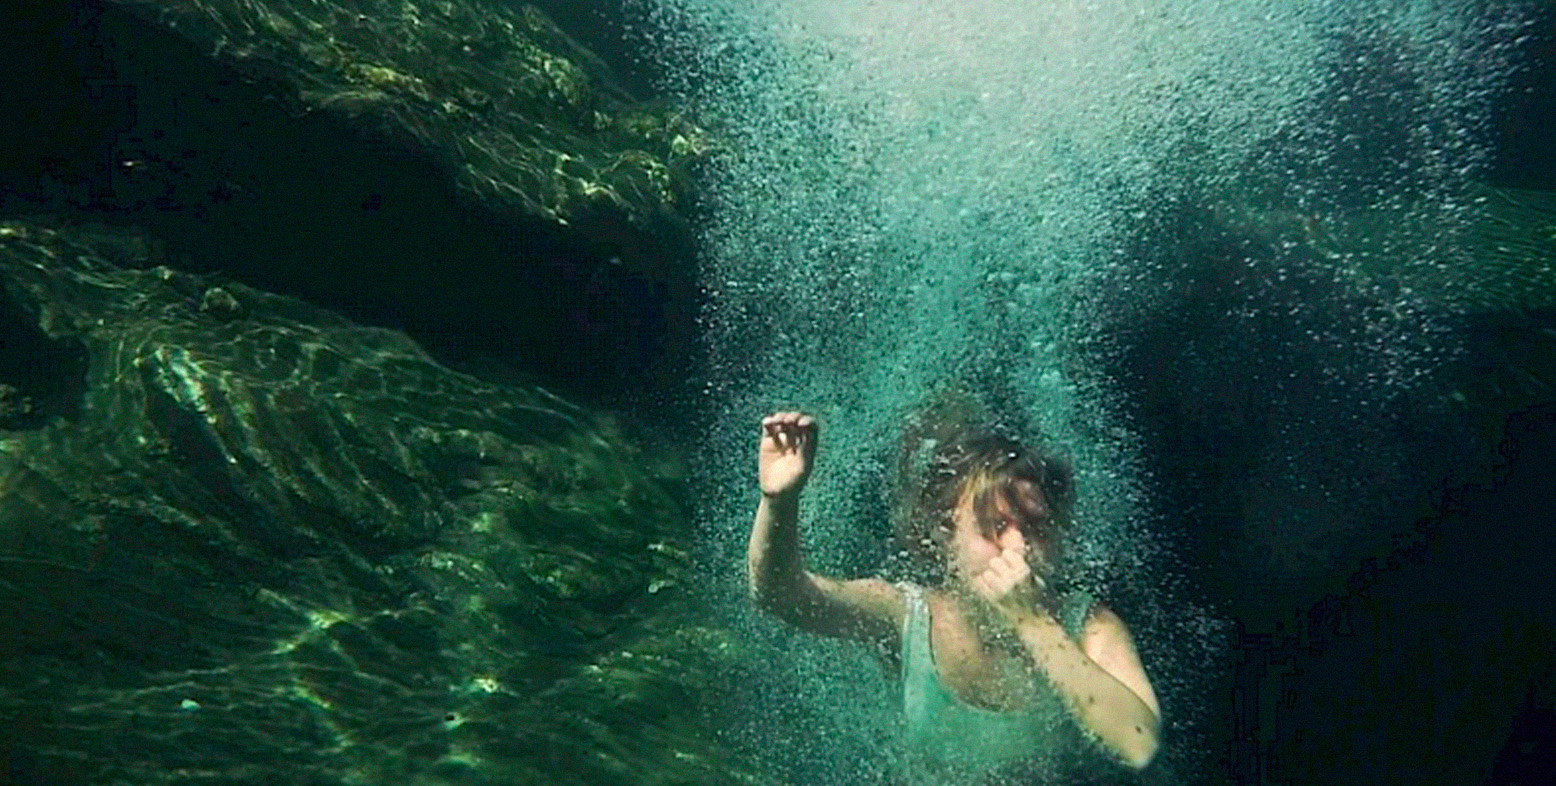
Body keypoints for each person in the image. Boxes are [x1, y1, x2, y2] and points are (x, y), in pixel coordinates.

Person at [746, 409, 1161, 783]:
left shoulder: (1090, 627)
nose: (1017, 548)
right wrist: (779, 503)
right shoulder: (908, 615)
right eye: (994, 526)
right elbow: (782, 596)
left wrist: (1031, 621)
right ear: (947, 537)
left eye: (1036, 528)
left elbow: (1139, 746)